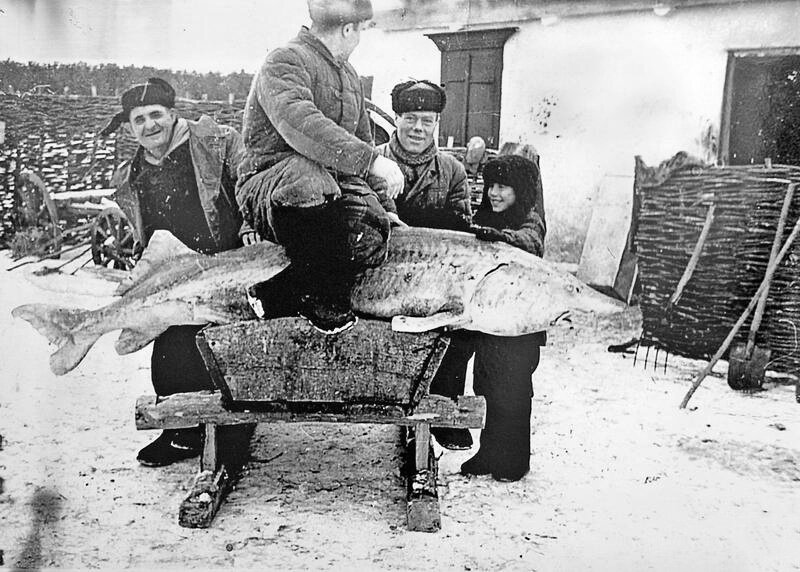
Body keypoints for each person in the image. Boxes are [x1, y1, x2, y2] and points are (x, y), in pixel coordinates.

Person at [101, 77, 245, 467]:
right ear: (130, 127)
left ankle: (233, 430)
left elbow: (247, 186)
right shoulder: (131, 175)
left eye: (156, 115)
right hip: (172, 274)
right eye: (139, 119)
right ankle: (181, 432)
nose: (149, 125)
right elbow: (142, 227)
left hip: (223, 264)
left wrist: (248, 232)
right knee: (170, 352)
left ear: (173, 114)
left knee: (226, 347)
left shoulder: (214, 144)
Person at [236, 0, 404, 334]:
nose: (360, 39)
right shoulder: (285, 61)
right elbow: (299, 122)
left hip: (327, 190)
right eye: (361, 31)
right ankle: (320, 298)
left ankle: (274, 295)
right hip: (270, 187)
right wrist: (372, 160)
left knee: (372, 231)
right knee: (309, 177)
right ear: (348, 29)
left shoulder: (350, 77)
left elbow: (357, 156)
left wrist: (384, 209)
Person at [373, 79, 475, 450]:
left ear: (437, 125)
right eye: (410, 118)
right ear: (396, 119)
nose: (418, 128)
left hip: (435, 273)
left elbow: (461, 227)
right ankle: (392, 406)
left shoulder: (452, 171)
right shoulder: (374, 161)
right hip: (384, 270)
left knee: (459, 329)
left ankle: (444, 413)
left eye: (427, 120)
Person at [463, 154, 547, 481]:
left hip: (520, 327)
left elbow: (530, 242)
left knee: (514, 392)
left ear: (521, 191)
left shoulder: (529, 219)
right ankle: (487, 453)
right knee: (486, 386)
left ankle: (514, 461)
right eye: (491, 186)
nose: (494, 193)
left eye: (503, 187)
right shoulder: (485, 216)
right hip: (491, 322)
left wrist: (502, 238)